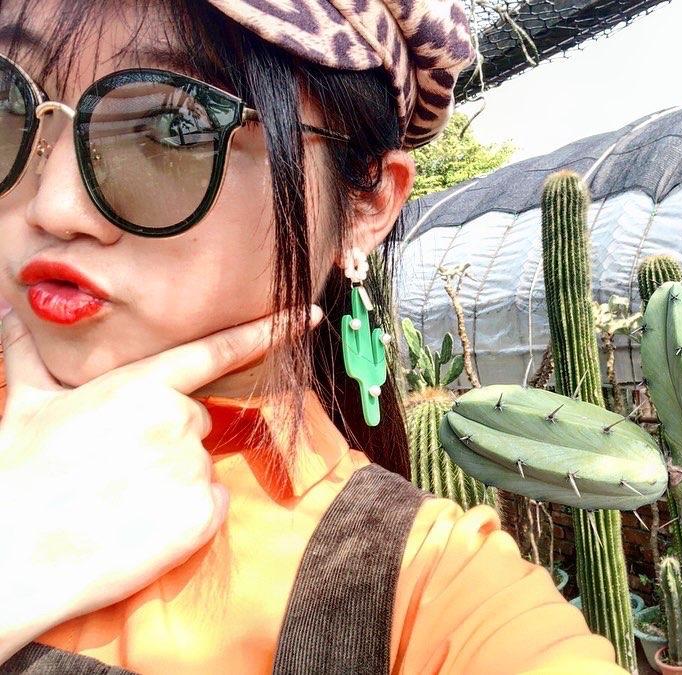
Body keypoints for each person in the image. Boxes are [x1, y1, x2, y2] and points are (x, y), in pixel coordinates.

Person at [0, 0, 624, 672]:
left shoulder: (432, 595)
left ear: (365, 207)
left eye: (170, 127)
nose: (53, 206)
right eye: (8, 105)